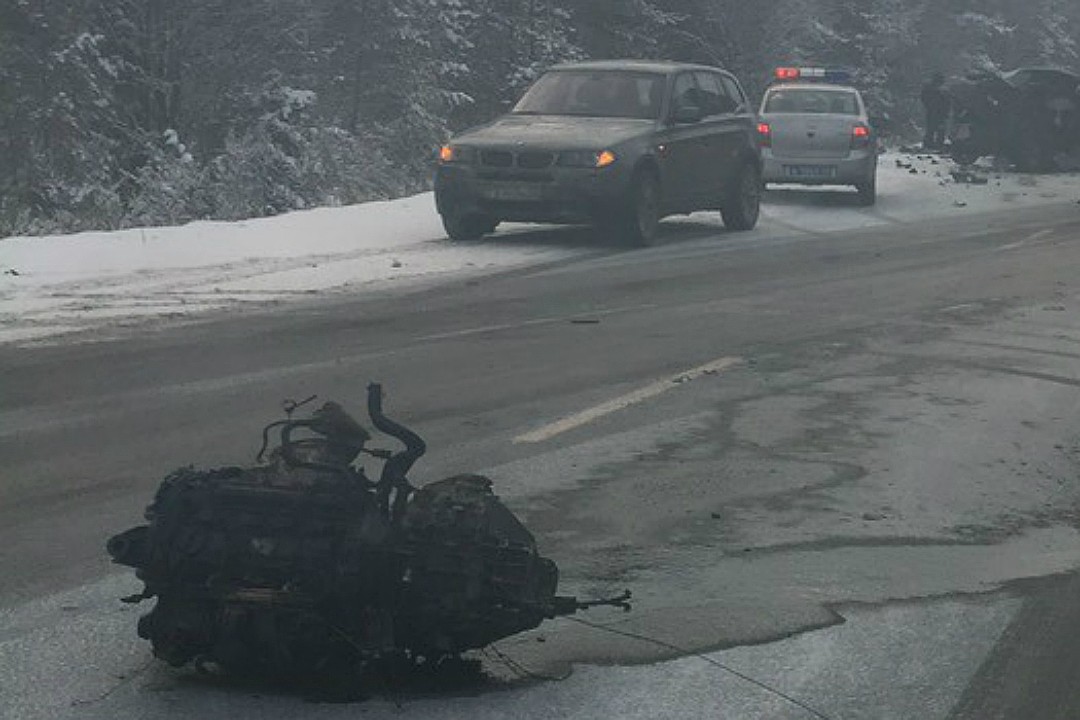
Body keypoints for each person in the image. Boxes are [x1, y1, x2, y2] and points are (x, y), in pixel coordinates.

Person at [921, 72, 948, 150]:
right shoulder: (930, 88)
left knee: (936, 129)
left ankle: (934, 144)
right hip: (934, 111)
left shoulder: (941, 90)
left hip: (938, 112)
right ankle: (931, 144)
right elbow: (924, 99)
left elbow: (946, 102)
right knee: (933, 129)